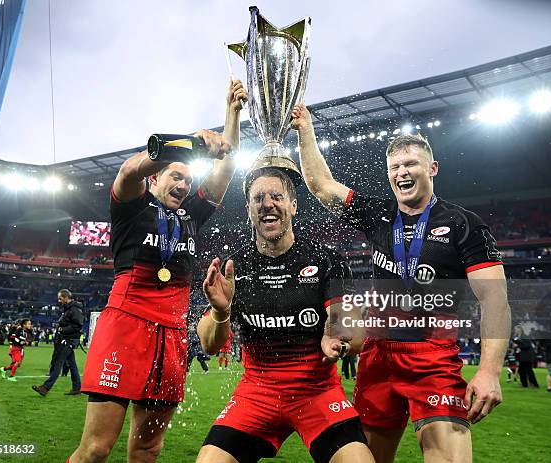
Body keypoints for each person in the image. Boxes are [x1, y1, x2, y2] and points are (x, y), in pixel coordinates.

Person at [292, 102, 511, 463]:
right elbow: (320, 186)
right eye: (395, 167)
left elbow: (495, 301)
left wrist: (489, 372)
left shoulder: (463, 224)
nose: (402, 172)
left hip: (433, 359)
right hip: (378, 358)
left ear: (432, 168)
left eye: (410, 164)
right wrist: (305, 130)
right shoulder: (378, 215)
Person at [68, 79, 246, 463]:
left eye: (187, 178)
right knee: (96, 449)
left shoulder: (191, 215)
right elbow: (129, 169)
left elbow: (225, 166)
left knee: (148, 449)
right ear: (156, 178)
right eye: (174, 176)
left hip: (170, 337)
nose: (182, 184)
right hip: (124, 328)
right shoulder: (131, 206)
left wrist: (232, 113)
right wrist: (190, 144)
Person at [196, 168, 374, 463]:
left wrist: (335, 335)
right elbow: (209, 345)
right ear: (249, 210)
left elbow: (349, 331)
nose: (267, 204)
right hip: (257, 393)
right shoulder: (234, 267)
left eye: (276, 196)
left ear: (293, 205)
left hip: (317, 392)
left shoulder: (325, 259)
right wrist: (220, 310)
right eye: (258, 198)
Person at [32, 289, 84, 396]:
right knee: (72, 364)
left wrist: (62, 330)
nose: (59, 300)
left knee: (58, 364)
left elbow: (78, 325)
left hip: (68, 340)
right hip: (66, 339)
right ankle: (77, 388)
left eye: (60, 298)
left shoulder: (74, 309)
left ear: (66, 297)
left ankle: (45, 387)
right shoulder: (69, 309)